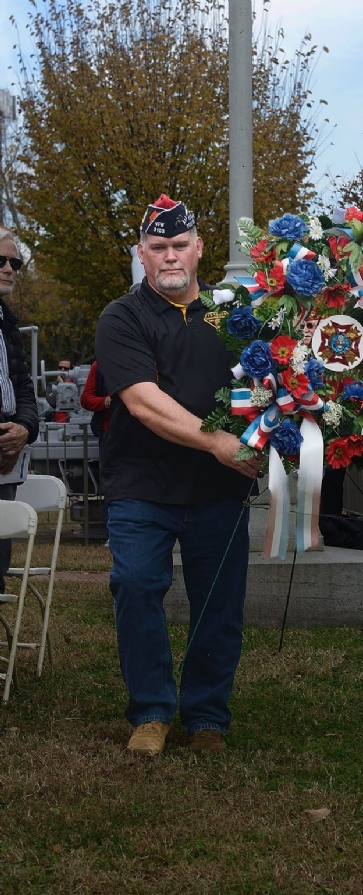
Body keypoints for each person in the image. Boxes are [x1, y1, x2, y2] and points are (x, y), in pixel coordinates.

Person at [95, 194, 261, 757]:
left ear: (200, 249)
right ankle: (151, 710)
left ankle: (207, 715)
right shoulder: (122, 316)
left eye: (180, 245)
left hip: (220, 490)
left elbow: (277, 377)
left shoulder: (235, 313)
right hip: (142, 484)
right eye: (158, 247)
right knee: (136, 585)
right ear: (141, 254)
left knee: (219, 602)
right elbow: (142, 402)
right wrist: (217, 442)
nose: (170, 257)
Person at [0, 229, 40, 594]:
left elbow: (24, 387)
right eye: (1, 261)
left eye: (15, 262)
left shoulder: (6, 320)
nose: (10, 269)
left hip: (7, 456)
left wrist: (25, 428)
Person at [80, 360, 111, 541]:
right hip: (110, 434)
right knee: (112, 486)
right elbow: (86, 399)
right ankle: (112, 534)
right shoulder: (99, 366)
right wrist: (105, 402)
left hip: (138, 433)